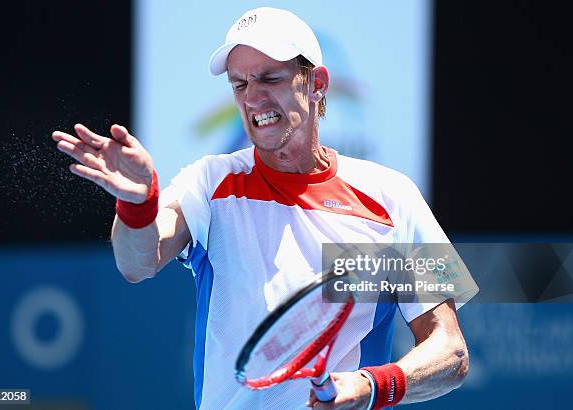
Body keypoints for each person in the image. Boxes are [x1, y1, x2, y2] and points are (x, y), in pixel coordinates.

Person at [52, 7, 475, 410]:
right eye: (240, 84)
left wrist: (370, 387)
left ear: (317, 84)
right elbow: (137, 263)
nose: (252, 98)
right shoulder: (209, 181)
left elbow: (451, 352)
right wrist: (137, 205)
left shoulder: (392, 196)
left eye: (269, 78)